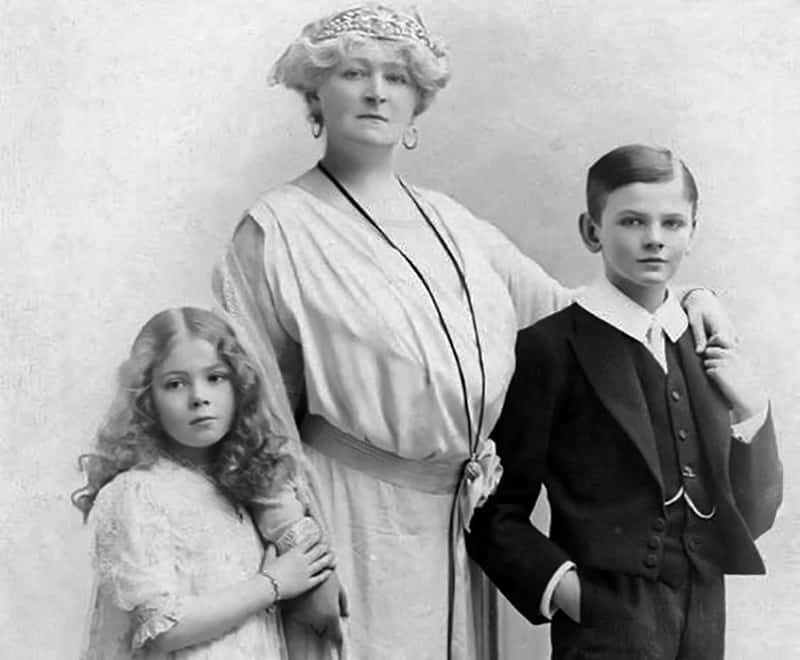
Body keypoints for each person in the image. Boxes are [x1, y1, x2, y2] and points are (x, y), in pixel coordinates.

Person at [212, 6, 735, 659]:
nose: (376, 91)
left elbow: (583, 316)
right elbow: (254, 415)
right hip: (350, 523)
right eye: (353, 73)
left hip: (460, 532)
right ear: (315, 93)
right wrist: (301, 560)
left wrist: (694, 298)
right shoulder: (274, 232)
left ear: (417, 101)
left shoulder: (454, 226)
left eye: (396, 77)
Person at [466, 144, 783, 659]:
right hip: (605, 628)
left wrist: (753, 414)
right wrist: (570, 593)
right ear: (592, 231)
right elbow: (495, 513)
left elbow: (752, 516)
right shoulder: (551, 348)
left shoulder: (703, 345)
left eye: (672, 223)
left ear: (693, 231)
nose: (654, 239)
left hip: (704, 624)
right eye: (632, 221)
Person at [73, 307, 335, 659]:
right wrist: (272, 585)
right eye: (175, 384)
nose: (199, 397)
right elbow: (160, 627)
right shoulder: (137, 492)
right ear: (148, 400)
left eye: (215, 377)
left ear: (239, 386)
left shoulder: (238, 485)